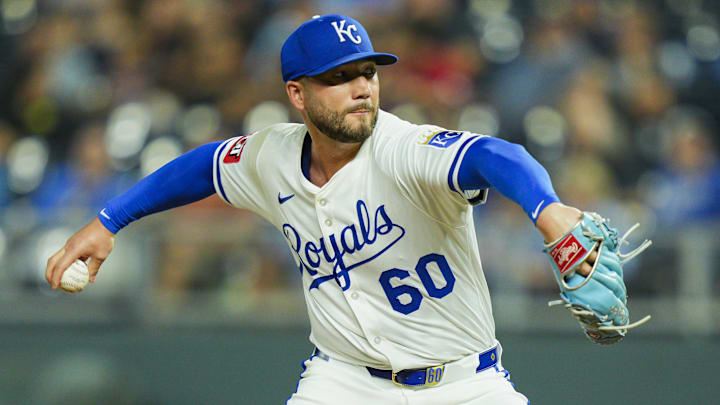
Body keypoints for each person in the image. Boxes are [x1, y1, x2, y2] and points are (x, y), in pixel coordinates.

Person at [46, 14, 617, 404]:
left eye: (367, 72)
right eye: (338, 78)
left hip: (464, 385)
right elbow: (202, 166)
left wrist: (549, 210)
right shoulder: (271, 156)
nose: (362, 88)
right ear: (297, 94)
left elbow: (496, 154)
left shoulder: (403, 150)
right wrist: (107, 221)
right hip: (344, 384)